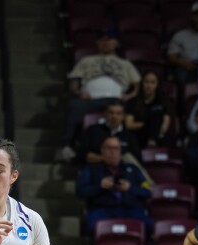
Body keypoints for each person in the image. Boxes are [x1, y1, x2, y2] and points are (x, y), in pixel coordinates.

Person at [58, 28, 141, 161]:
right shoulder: (86, 60)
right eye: (101, 40)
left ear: (116, 43)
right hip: (90, 100)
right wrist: (78, 92)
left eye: (108, 40)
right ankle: (67, 146)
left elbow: (137, 86)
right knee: (74, 105)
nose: (105, 43)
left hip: (115, 99)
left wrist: (129, 96)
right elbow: (74, 82)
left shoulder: (125, 64)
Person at [76, 136, 151, 233]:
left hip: (130, 210)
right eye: (109, 148)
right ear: (102, 151)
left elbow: (147, 191)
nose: (113, 152)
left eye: (116, 148)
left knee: (149, 225)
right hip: (103, 210)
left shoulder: (133, 169)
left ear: (120, 151)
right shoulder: (91, 169)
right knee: (91, 225)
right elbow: (80, 191)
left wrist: (130, 188)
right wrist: (100, 186)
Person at [77, 101, 141, 165]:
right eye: (111, 112)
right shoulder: (93, 130)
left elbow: (137, 160)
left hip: (122, 171)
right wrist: (106, 159)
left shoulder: (130, 136)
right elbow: (81, 155)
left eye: (118, 113)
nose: (114, 116)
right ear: (105, 114)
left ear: (123, 116)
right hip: (96, 169)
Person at [124, 70, 177, 148]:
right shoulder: (133, 102)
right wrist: (147, 125)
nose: (149, 85)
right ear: (142, 84)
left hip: (159, 134)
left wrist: (154, 132)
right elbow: (129, 125)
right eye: (146, 82)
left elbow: (165, 125)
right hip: (139, 134)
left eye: (152, 82)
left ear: (157, 85)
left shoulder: (164, 100)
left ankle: (153, 141)